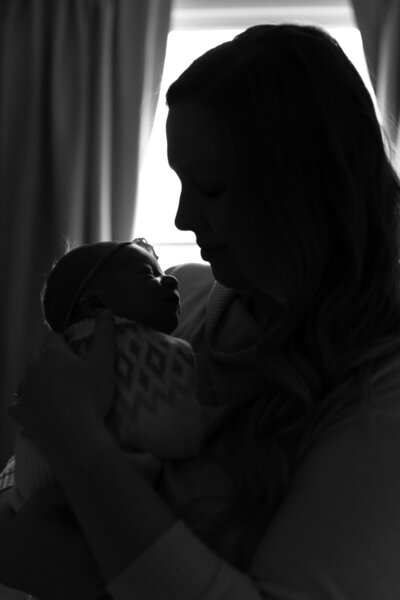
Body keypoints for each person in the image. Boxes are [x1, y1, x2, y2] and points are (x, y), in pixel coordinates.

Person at [1, 22, 400, 600]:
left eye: (211, 188)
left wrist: (76, 443)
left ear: (306, 193)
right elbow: (24, 481)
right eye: (180, 183)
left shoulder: (380, 389)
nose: (184, 217)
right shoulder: (173, 302)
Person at [4, 238, 204, 512]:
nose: (171, 280)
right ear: (97, 303)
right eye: (150, 275)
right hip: (102, 506)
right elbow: (180, 435)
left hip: (31, 497)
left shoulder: (54, 361)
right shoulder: (146, 350)